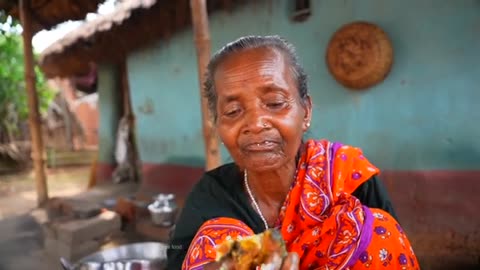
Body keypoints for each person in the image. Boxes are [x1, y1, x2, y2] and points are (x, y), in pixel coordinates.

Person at [167, 36, 419, 270]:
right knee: (216, 239)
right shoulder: (211, 196)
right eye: (233, 111)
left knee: (375, 229)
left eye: (275, 103)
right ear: (218, 125)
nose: (255, 124)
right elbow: (178, 256)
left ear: (305, 112)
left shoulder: (347, 178)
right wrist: (235, 262)